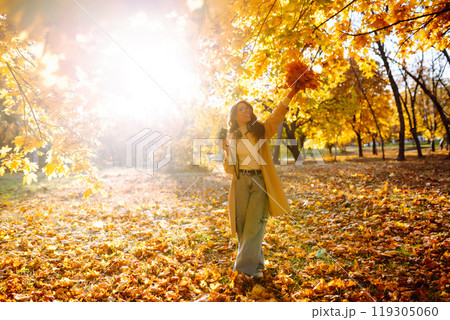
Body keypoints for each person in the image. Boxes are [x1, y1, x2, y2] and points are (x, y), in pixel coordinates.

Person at [221, 85, 301, 279]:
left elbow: (276, 117)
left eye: (249, 108)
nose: (247, 111)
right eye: (242, 108)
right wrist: (227, 151)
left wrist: (289, 96)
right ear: (234, 115)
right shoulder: (230, 136)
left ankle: (242, 270)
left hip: (259, 180)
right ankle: (257, 268)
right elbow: (229, 167)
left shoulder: (260, 130)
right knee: (242, 226)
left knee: (255, 223)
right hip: (239, 182)